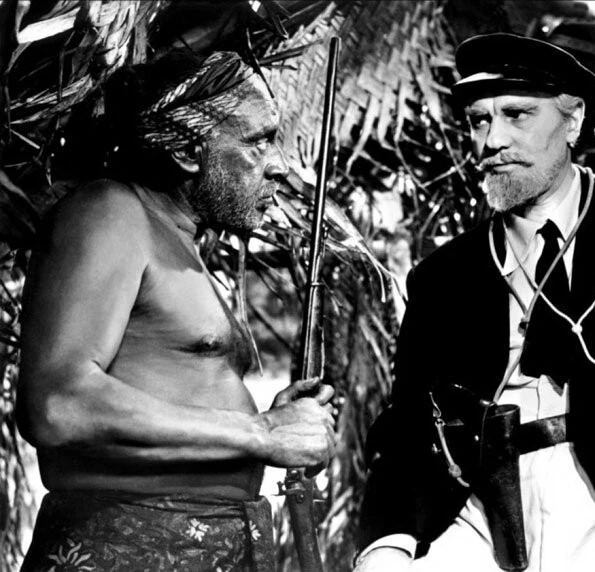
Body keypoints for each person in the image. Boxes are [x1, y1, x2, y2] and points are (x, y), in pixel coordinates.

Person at [16, 49, 336, 572]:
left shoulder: (178, 242)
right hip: (129, 549)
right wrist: (260, 433)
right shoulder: (111, 212)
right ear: (189, 151)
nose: (279, 165)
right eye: (258, 142)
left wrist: (265, 418)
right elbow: (58, 403)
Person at [355, 33, 595, 572]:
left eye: (517, 115)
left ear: (573, 120)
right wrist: (386, 545)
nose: (493, 141)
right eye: (479, 121)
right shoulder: (444, 277)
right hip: (480, 514)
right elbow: (410, 426)